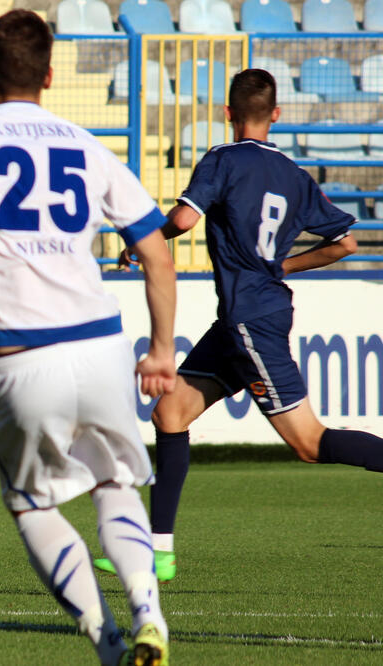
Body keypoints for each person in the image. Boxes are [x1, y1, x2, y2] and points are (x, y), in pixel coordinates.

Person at [0, 10, 173, 665]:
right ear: (51, 75)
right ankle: (152, 618)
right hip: (101, 347)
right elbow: (157, 252)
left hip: (23, 357)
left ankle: (109, 644)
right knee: (115, 485)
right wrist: (163, 348)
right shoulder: (87, 145)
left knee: (32, 505)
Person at [93, 68, 379, 584]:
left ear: (226, 113)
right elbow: (347, 243)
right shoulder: (294, 174)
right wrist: (283, 266)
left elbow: (182, 221)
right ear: (276, 114)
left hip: (252, 321)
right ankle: (155, 552)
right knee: (171, 412)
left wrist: (142, 243)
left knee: (310, 443)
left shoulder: (222, 159)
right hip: (242, 319)